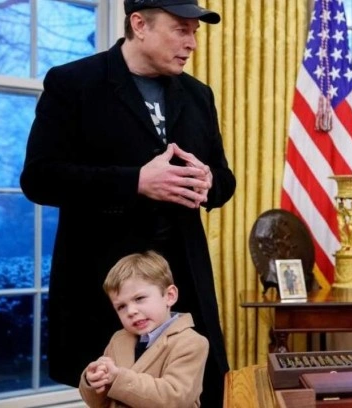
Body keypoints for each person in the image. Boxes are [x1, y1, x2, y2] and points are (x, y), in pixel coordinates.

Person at [20, 1, 234, 405]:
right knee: (111, 394)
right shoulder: (73, 83)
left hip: (183, 284)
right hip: (104, 286)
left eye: (194, 32)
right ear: (139, 24)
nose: (192, 43)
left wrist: (210, 182)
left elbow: (223, 180)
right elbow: (39, 178)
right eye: (181, 30)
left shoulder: (198, 95)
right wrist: (136, 181)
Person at [79, 251, 208, 407]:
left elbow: (175, 398)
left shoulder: (192, 343)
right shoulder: (118, 339)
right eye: (121, 306)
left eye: (139, 298)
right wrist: (94, 381)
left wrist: (118, 377)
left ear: (170, 296)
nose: (131, 311)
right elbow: (99, 404)